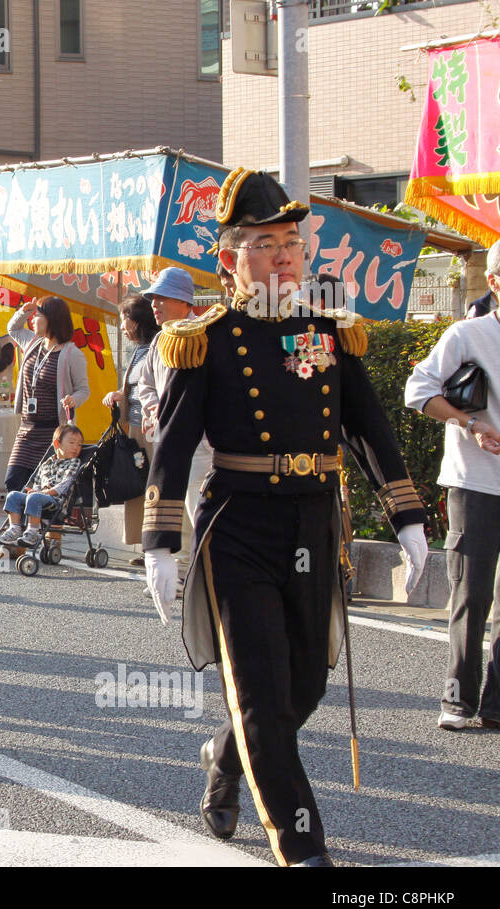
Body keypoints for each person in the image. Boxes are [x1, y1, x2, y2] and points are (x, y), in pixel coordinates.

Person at [142, 168, 429, 867]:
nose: (283, 256)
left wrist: (409, 518)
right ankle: (303, 850)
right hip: (238, 527)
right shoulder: (204, 339)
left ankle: (225, 752)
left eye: (292, 243)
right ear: (229, 259)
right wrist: (160, 545)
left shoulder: (329, 332)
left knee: (305, 687)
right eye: (264, 243)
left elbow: (367, 431)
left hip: (312, 523)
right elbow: (173, 447)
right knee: (264, 693)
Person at [405, 235, 500, 731]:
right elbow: (417, 390)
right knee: (472, 592)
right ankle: (458, 700)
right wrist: (470, 424)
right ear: (494, 281)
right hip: (476, 483)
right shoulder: (467, 335)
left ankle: (498, 704)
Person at [137, 268, 214, 531]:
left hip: (200, 444)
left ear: (184, 302)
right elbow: (145, 384)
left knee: (199, 513)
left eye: (162, 297)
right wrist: (154, 407)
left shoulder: (205, 335)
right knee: (170, 518)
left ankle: (203, 570)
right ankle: (181, 569)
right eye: (153, 299)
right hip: (165, 439)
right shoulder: (159, 339)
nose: (155, 305)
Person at [4, 295, 90, 491]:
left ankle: (33, 521)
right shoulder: (33, 342)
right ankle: (23, 520)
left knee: (45, 486)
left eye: (37, 315)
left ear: (51, 319)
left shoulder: (72, 353)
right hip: (27, 428)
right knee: (13, 480)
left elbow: (84, 389)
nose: (33, 319)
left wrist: (73, 399)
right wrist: (24, 311)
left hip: (52, 430)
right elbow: (13, 328)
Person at [103, 295, 160, 558]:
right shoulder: (139, 349)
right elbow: (136, 388)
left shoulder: (158, 346)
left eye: (124, 319)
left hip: (152, 427)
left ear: (136, 321)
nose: (122, 326)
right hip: (136, 428)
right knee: (137, 483)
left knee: (152, 484)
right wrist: (120, 395)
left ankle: (157, 543)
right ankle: (144, 543)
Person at [0, 423, 83, 546]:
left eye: (79, 444)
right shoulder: (46, 464)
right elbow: (37, 482)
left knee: (34, 497)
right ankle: (15, 528)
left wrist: (44, 493)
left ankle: (32, 532)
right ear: (57, 444)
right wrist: (36, 490)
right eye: (72, 443)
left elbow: (65, 484)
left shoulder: (74, 462)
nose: (76, 447)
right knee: (13, 495)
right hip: (40, 496)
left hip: (56, 500)